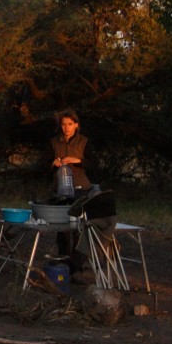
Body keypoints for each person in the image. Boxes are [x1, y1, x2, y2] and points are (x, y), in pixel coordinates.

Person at [46, 109, 97, 282]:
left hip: (80, 188)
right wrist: (54, 164)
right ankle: (62, 266)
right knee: (62, 229)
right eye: (63, 124)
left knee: (77, 228)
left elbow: (94, 164)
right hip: (60, 188)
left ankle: (76, 268)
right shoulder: (54, 143)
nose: (66, 128)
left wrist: (78, 161)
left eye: (69, 124)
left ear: (76, 125)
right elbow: (42, 166)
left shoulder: (84, 142)